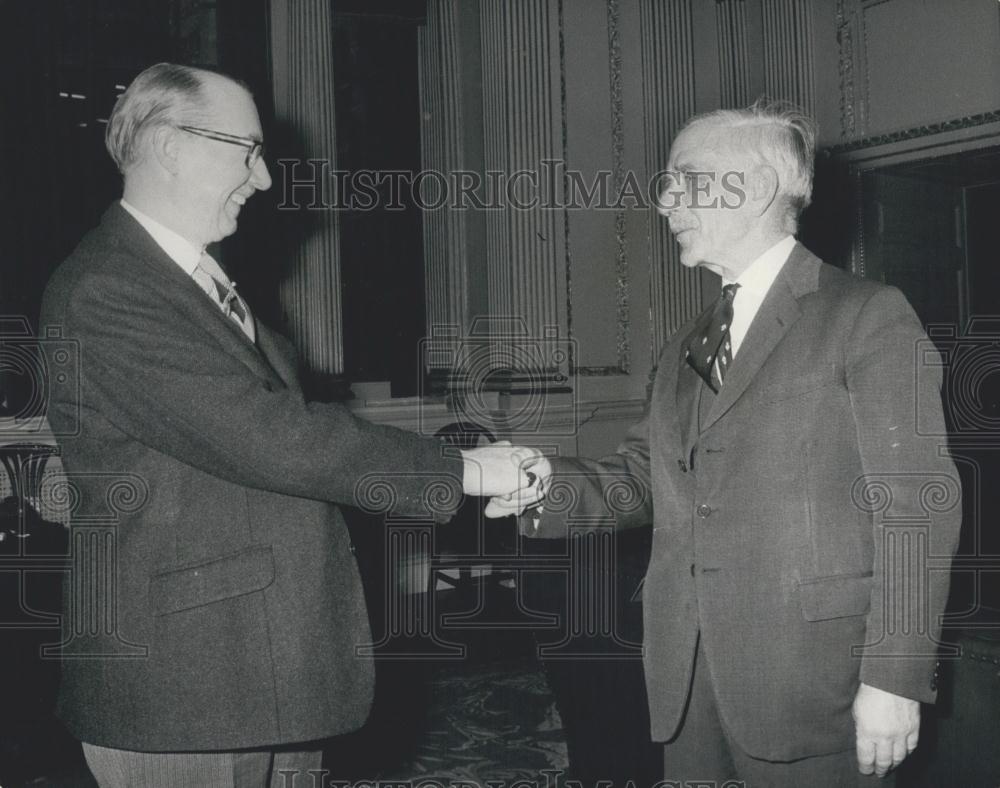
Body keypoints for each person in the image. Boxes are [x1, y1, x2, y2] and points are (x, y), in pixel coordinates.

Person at [41, 62, 536, 788]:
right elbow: (270, 437)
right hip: (188, 683)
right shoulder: (110, 289)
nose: (265, 178)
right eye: (246, 149)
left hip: (255, 665)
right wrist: (464, 469)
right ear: (172, 145)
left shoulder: (184, 283)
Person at [489, 102, 961, 787]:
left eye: (687, 179)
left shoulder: (865, 315)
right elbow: (645, 478)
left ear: (760, 187)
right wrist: (540, 482)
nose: (664, 201)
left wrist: (894, 679)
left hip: (814, 686)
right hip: (687, 676)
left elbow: (917, 509)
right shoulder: (686, 343)